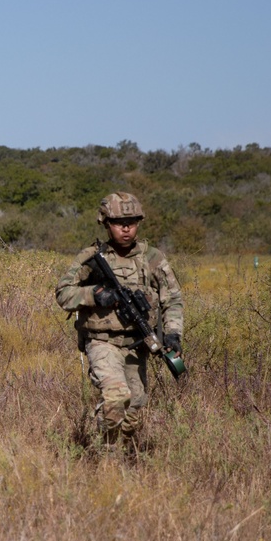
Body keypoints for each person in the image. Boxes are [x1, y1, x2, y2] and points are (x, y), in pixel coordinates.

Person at [55, 192, 184, 451]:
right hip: (102, 342)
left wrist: (173, 334)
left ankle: (120, 455)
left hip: (138, 345)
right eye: (118, 222)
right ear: (105, 223)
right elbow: (63, 293)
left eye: (132, 222)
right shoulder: (92, 258)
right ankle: (103, 456)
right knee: (116, 397)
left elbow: (173, 300)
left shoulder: (153, 258)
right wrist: (95, 295)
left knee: (134, 413)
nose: (126, 228)